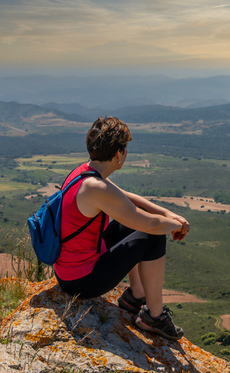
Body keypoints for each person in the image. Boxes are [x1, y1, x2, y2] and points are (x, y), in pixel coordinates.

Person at [53, 116, 189, 340]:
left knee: (130, 224)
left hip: (69, 270)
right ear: (119, 153)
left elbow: (126, 198)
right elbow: (151, 224)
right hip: (81, 281)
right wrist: (176, 225)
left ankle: (135, 297)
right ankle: (154, 317)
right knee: (153, 235)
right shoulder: (97, 187)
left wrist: (168, 214)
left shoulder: (84, 173)